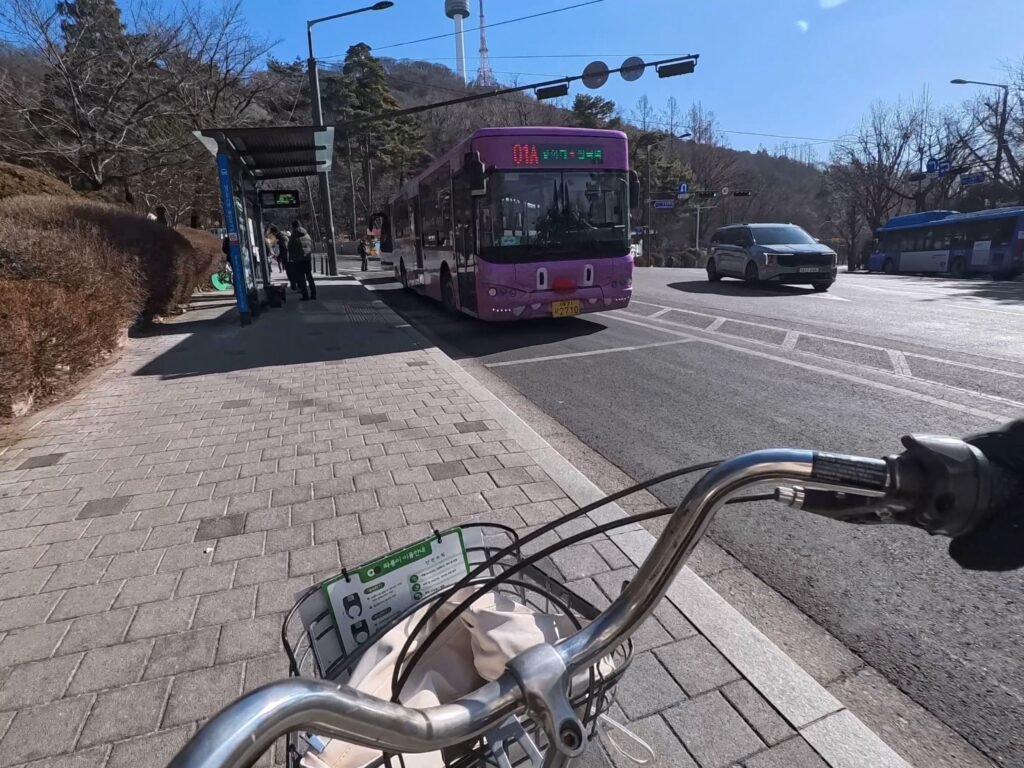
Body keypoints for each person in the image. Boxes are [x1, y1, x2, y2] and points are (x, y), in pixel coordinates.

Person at [289, 219, 316, 301]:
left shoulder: (294, 235)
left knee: (301, 279)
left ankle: (305, 295)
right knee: (309, 276)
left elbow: (290, 247)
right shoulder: (307, 235)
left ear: (293, 227)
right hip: (307, 258)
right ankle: (313, 294)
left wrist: (291, 258)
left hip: (298, 259)